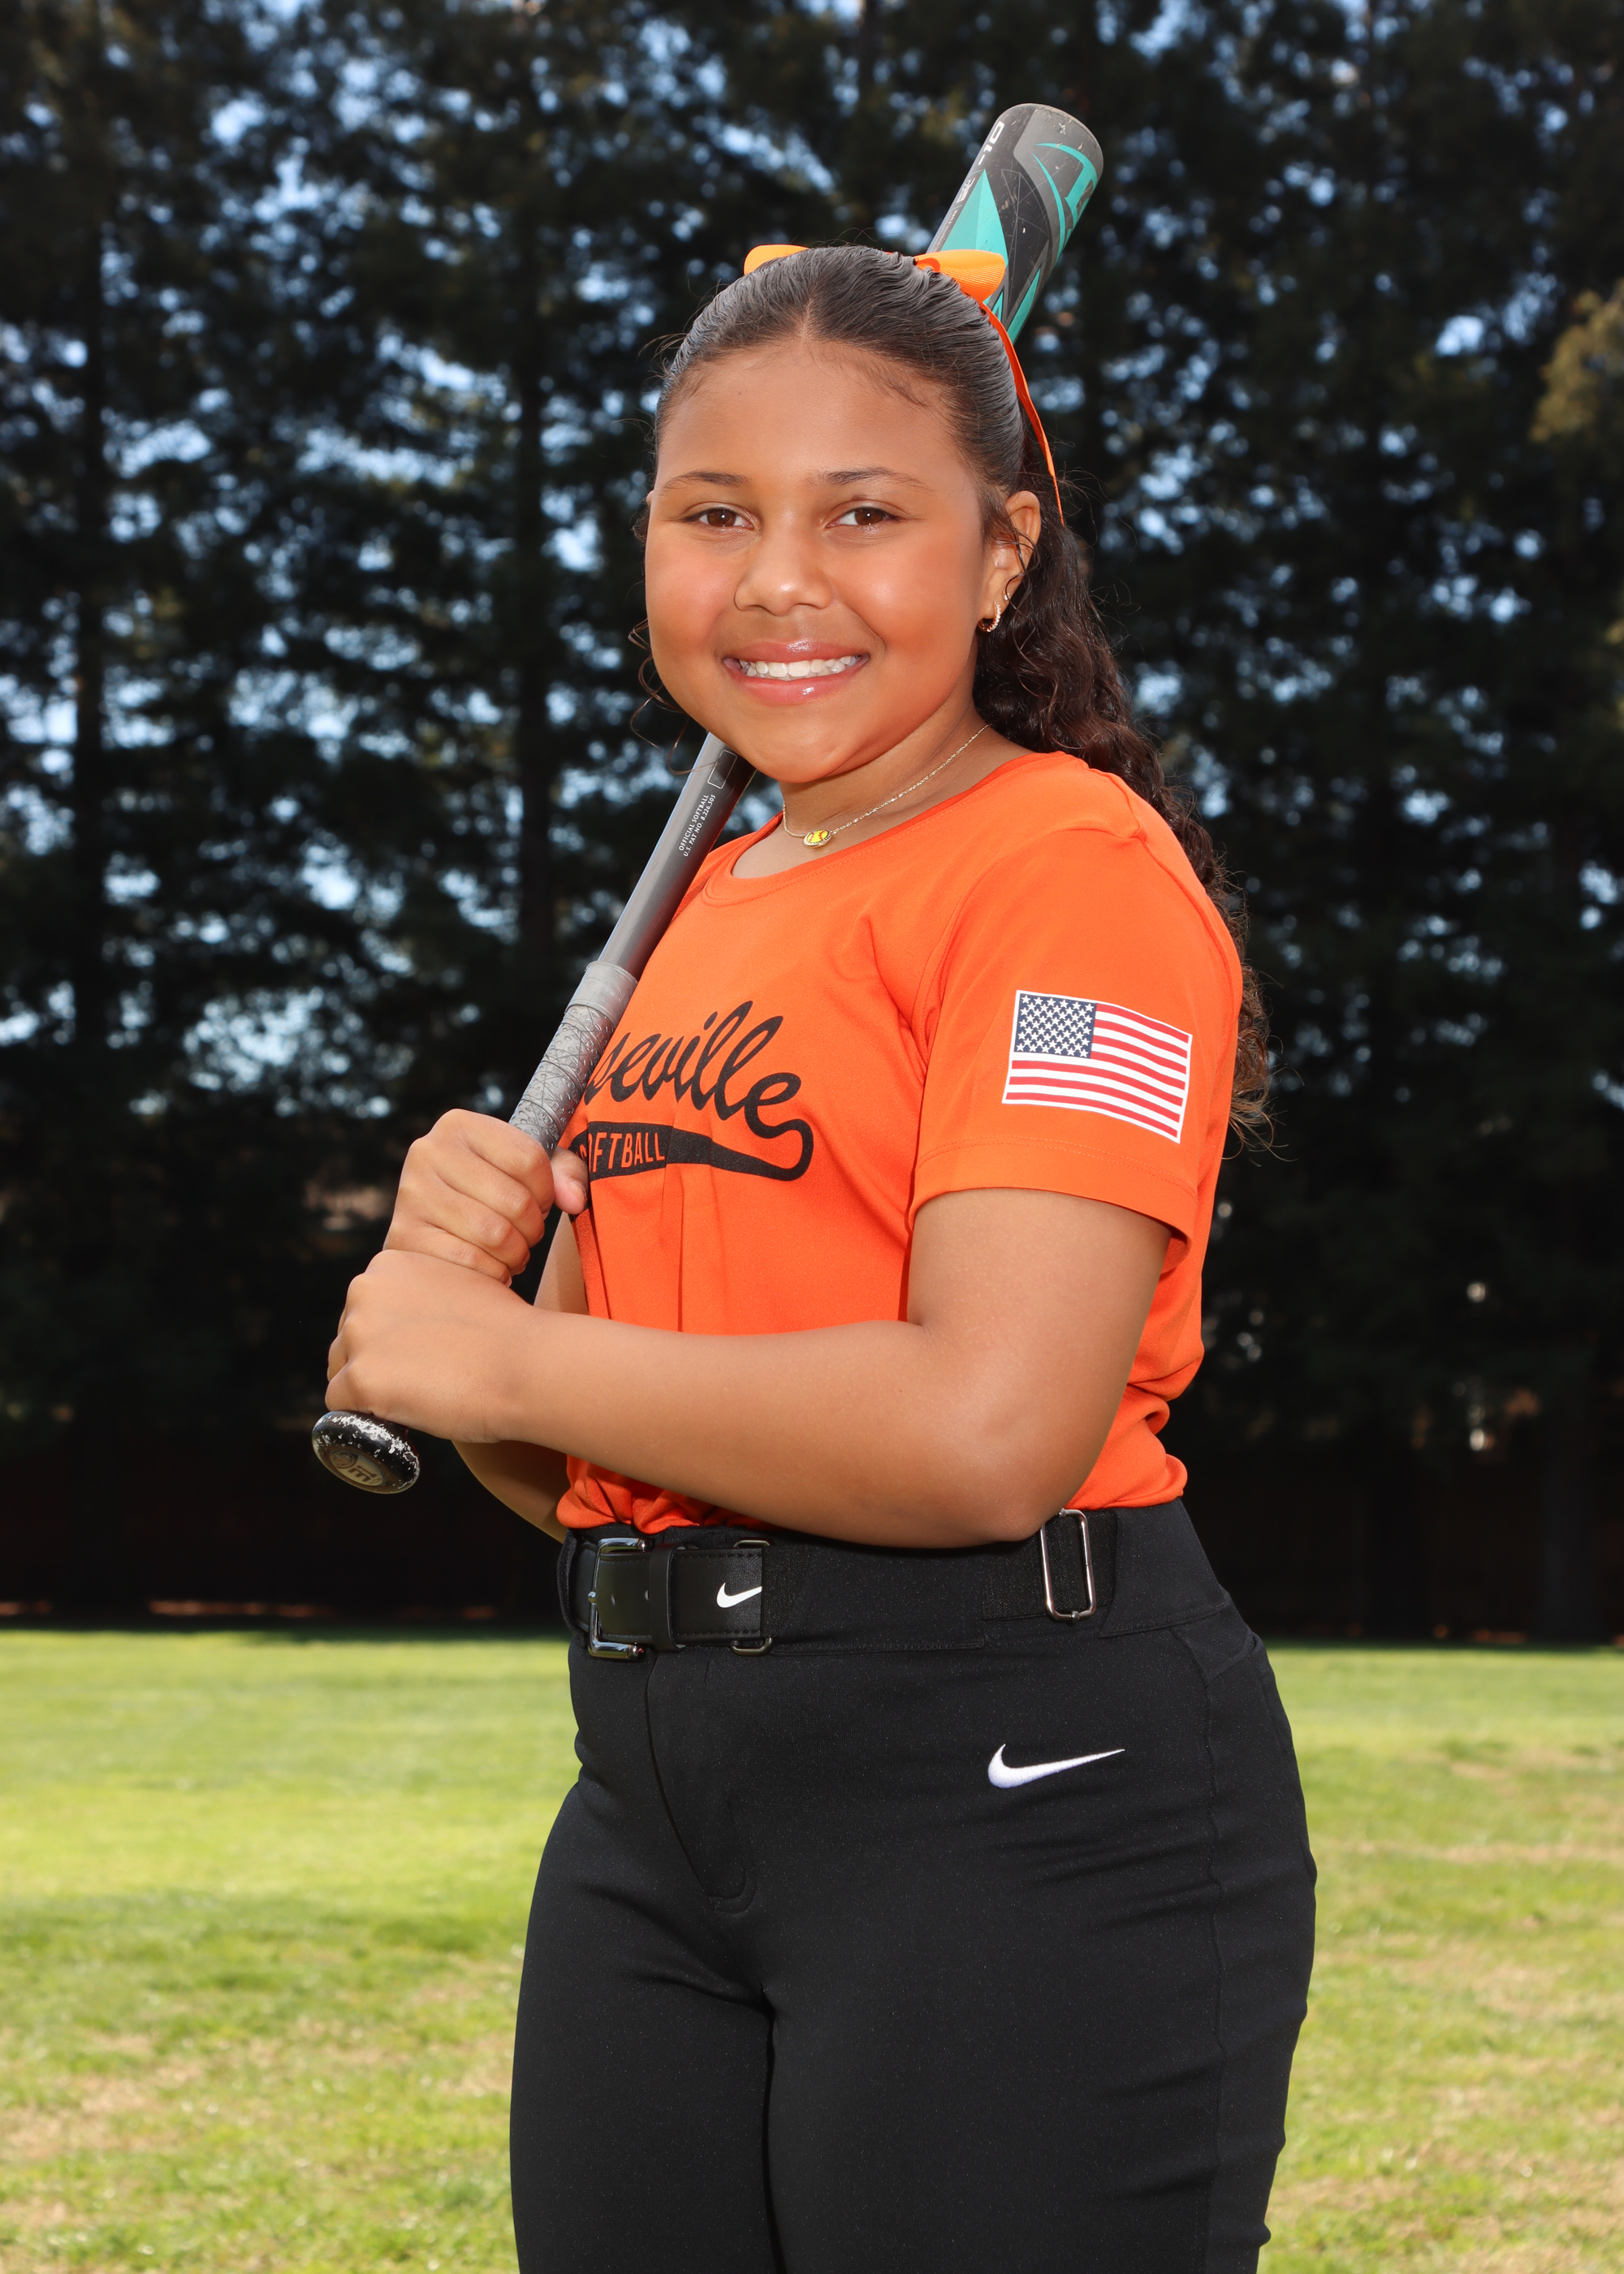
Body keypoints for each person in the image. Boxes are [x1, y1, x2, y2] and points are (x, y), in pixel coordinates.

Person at [326, 244, 1315, 2273]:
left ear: (1000, 551)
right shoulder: (707, 907)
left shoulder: (1072, 877)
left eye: (863, 513)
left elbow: (983, 1429)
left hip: (1014, 1781)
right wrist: (472, 1314)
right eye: (714, 514)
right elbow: (580, 1476)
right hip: (654, 1790)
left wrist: (499, 1361)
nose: (779, 580)